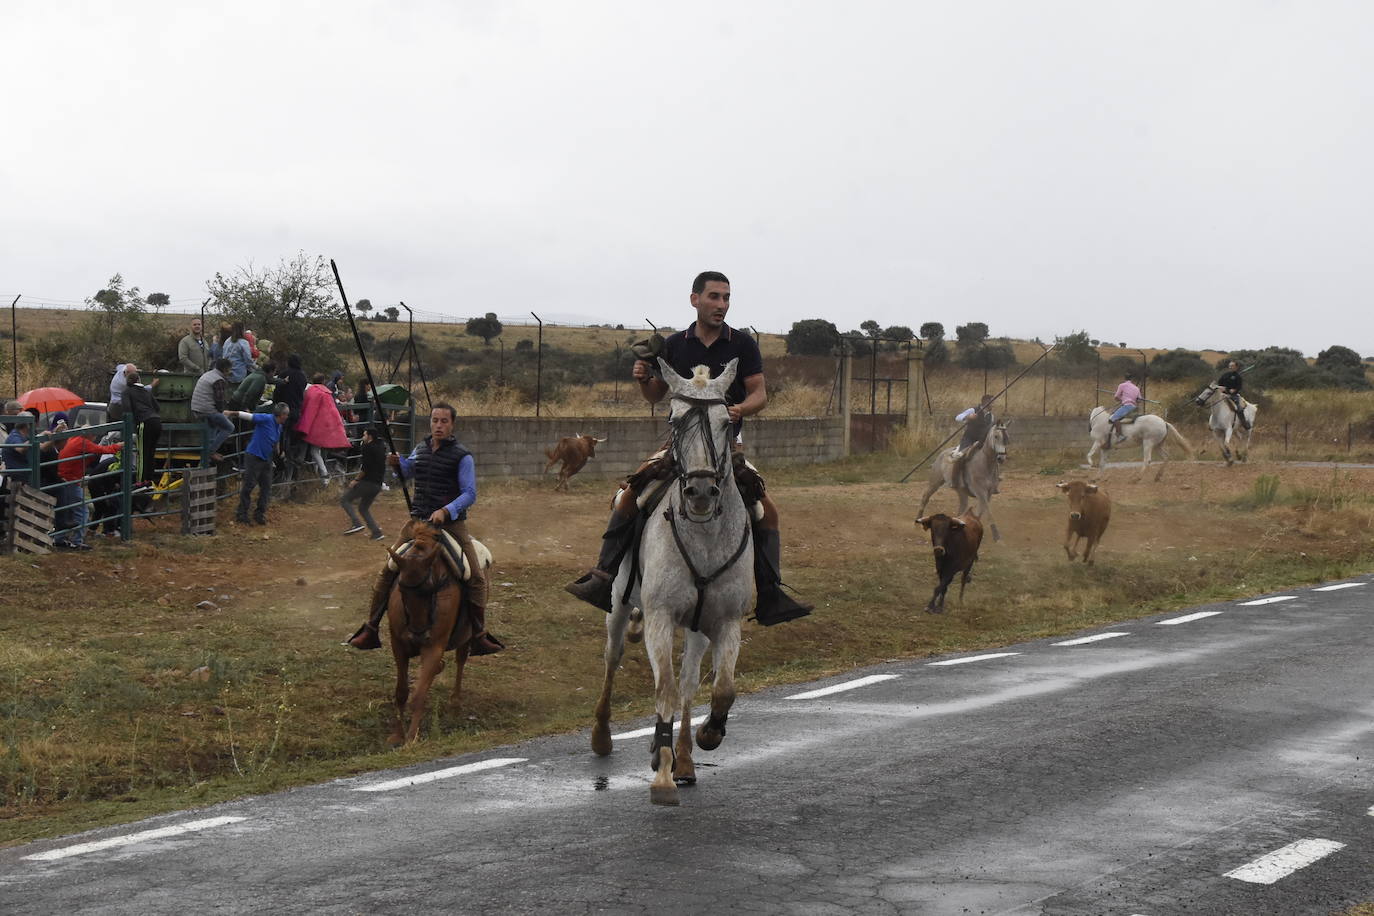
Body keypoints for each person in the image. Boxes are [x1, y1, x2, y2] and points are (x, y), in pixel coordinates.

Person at [564, 270, 812, 626]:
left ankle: (770, 594)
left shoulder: (742, 344)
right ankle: (603, 578)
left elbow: (760, 394)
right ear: (695, 299)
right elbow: (655, 395)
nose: (721, 305)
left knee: (767, 511)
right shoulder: (675, 345)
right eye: (714, 297)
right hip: (677, 445)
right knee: (628, 498)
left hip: (729, 447)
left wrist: (740, 409)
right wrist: (644, 380)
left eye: (726, 298)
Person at [344, 403, 504, 655]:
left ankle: (478, 634)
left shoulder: (463, 456)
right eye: (434, 420)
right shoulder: (421, 448)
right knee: (387, 571)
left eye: (443, 421)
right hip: (417, 524)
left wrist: (446, 511)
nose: (438, 425)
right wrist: (398, 464)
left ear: (452, 425)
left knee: (475, 577)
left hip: (451, 526)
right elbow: (407, 472)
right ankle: (371, 627)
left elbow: (470, 493)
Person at [55, 425, 123, 550]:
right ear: (90, 435)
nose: (95, 437)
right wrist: (120, 446)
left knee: (68, 510)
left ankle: (59, 538)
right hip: (70, 480)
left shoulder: (73, 439)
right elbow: (102, 449)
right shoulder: (83, 442)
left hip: (65, 478)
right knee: (82, 511)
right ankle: (77, 541)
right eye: (94, 435)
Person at [224, 403, 290, 526]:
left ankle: (259, 513)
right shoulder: (266, 419)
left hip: (266, 458)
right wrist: (230, 413)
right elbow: (248, 416)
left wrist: (279, 455)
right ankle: (242, 513)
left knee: (266, 487)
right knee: (249, 485)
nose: (287, 417)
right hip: (254, 456)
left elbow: (275, 443)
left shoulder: (279, 426)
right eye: (286, 414)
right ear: (282, 415)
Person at [298, 372, 351, 484]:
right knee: (317, 451)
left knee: (313, 451)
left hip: (316, 426)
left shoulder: (312, 391)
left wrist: (303, 426)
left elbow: (309, 410)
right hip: (326, 426)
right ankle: (321, 474)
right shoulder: (327, 393)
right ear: (323, 381)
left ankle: (323, 474)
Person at [118, 363, 163, 486]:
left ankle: (140, 481)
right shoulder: (146, 392)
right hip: (157, 422)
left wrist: (133, 417)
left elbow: (127, 409)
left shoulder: (127, 392)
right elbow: (157, 407)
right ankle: (149, 479)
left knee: (142, 453)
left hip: (144, 422)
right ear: (138, 380)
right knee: (151, 452)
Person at [341, 426, 387, 539]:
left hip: (368, 482)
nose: (363, 437)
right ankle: (376, 533)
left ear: (369, 437)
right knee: (363, 508)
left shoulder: (367, 447)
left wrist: (356, 480)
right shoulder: (381, 446)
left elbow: (365, 468)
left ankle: (356, 523)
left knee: (345, 499)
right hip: (377, 484)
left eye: (364, 435)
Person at [946, 394, 996, 487]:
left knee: (993, 456)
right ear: (986, 402)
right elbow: (958, 417)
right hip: (969, 439)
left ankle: (993, 480)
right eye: (992, 403)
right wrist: (968, 417)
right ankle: (954, 480)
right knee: (961, 457)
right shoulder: (973, 410)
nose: (993, 405)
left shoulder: (991, 416)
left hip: (982, 442)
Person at [191, 359, 236, 461]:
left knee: (214, 428)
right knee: (229, 427)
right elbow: (219, 401)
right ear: (225, 369)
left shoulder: (209, 374)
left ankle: (208, 454)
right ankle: (210, 452)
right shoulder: (218, 380)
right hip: (206, 410)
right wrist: (225, 413)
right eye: (229, 370)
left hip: (197, 408)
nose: (230, 372)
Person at [1107, 372, 1141, 446]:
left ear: (1125, 378)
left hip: (1127, 407)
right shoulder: (1136, 388)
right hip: (1134, 408)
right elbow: (1139, 400)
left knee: (1113, 418)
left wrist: (1122, 399)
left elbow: (1116, 397)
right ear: (1132, 379)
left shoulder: (1122, 385)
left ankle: (1120, 436)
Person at [1217, 360, 1250, 429]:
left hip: (1233, 396)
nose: (1230, 367)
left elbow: (1239, 387)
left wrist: (1234, 390)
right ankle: (1213, 423)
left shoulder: (1238, 377)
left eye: (1232, 366)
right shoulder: (1225, 375)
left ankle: (1244, 423)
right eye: (1229, 366)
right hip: (1223, 394)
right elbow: (1219, 383)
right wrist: (1220, 388)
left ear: (1236, 367)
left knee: (1239, 408)